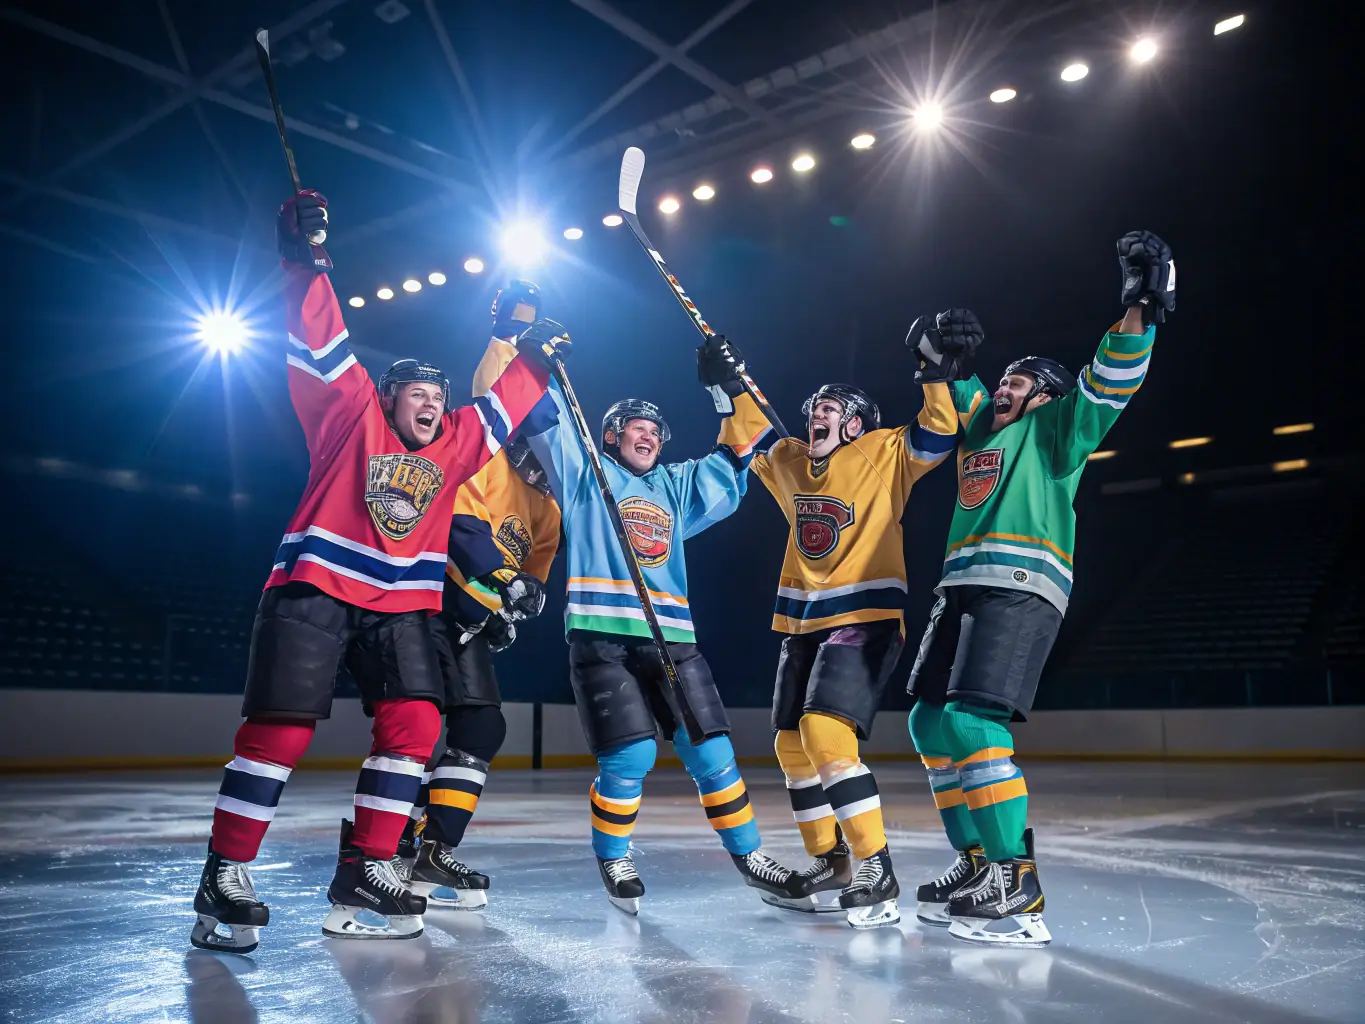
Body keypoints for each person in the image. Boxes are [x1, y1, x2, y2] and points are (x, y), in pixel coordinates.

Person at [189, 191, 568, 953]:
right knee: (281, 733)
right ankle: (225, 872)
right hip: (315, 588)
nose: (431, 405)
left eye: (437, 396)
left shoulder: (458, 443)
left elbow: (501, 405)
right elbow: (321, 335)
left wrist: (533, 350)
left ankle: (367, 866)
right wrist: (306, 261)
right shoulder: (347, 414)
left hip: (400, 606)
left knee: (418, 723)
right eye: (415, 395)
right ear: (387, 398)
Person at [905, 230, 1174, 947]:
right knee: (929, 725)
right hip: (958, 589)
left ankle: (1014, 880)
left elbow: (1108, 378)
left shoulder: (1057, 430)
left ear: (1046, 397)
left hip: (1019, 586)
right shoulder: (978, 435)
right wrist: (932, 348)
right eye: (1003, 379)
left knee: (968, 723)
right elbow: (948, 385)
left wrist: (1140, 305)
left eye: (1019, 382)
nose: (1004, 386)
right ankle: (974, 863)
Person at [524, 343, 809, 914]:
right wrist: (536, 360)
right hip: (601, 638)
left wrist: (726, 386)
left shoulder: (676, 487)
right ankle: (614, 857)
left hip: (673, 639)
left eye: (655, 429)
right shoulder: (585, 475)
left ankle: (750, 856)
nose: (648, 435)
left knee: (714, 754)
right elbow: (540, 418)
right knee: (628, 759)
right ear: (610, 436)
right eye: (636, 427)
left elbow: (738, 448)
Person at [697, 338, 965, 928]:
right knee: (791, 745)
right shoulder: (792, 459)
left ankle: (876, 864)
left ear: (857, 422)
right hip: (804, 620)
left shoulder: (883, 450)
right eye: (815, 406)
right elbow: (747, 433)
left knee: (824, 733)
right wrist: (725, 386)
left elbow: (940, 431)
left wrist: (936, 374)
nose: (817, 413)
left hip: (864, 614)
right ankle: (832, 860)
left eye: (831, 407)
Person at [397, 283, 563, 910]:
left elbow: (536, 575)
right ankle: (380, 845)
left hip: (465, 622)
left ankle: (430, 848)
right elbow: (461, 533)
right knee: (411, 730)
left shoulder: (548, 510)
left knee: (482, 726)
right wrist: (513, 329)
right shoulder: (487, 462)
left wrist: (520, 600)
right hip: (424, 607)